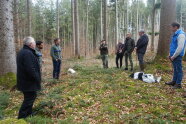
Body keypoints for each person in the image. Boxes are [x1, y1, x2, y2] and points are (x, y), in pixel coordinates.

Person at [17, 37, 41, 119]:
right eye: (34, 43)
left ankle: (29, 114)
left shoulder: (24, 52)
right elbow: (30, 69)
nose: (35, 44)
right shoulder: (27, 53)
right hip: (28, 82)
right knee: (29, 99)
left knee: (30, 98)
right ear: (31, 44)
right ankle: (21, 117)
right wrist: (37, 78)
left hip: (26, 81)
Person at [165, 22, 186, 89]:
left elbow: (180, 47)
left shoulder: (181, 35)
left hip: (177, 56)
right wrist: (170, 55)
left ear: (175, 27)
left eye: (171, 27)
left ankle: (178, 84)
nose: (170, 28)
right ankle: (174, 81)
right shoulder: (175, 35)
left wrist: (174, 56)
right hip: (173, 55)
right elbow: (173, 46)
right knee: (175, 69)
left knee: (179, 70)